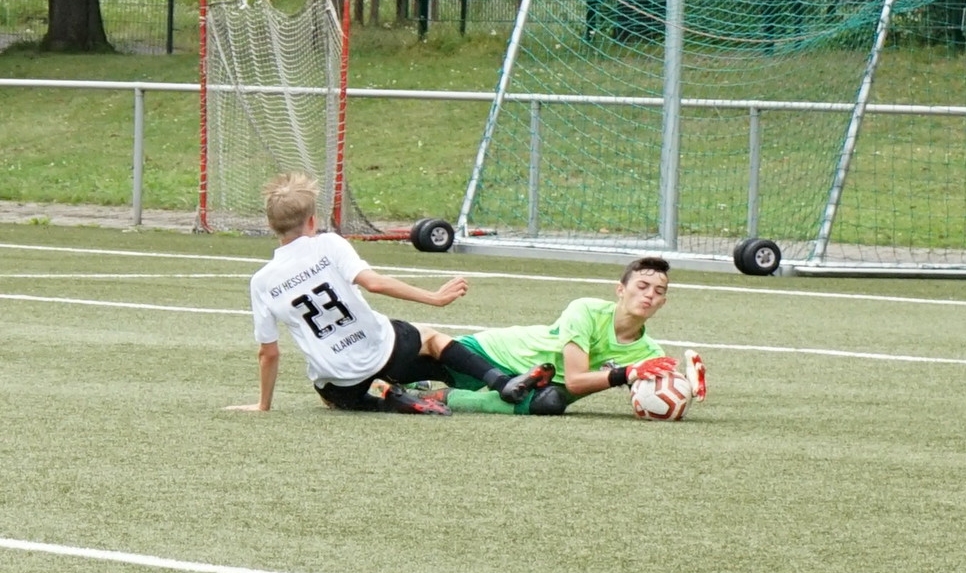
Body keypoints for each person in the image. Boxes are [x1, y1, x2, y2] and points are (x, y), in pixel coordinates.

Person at [224, 172, 554, 415]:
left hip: (341, 383)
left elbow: (268, 353)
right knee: (430, 338)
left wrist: (263, 405)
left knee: (329, 397)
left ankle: (387, 396)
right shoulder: (328, 244)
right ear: (312, 221)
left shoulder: (262, 280)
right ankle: (501, 382)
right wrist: (434, 297)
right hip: (385, 351)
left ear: (271, 225)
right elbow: (375, 283)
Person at [409, 256, 707, 416]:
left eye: (658, 291)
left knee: (550, 403)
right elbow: (576, 380)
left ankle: (446, 397)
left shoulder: (650, 352)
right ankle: (415, 383)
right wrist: (628, 372)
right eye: (642, 286)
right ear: (620, 290)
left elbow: (656, 388)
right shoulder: (586, 310)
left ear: (663, 302)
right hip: (494, 353)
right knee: (406, 367)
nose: (649, 295)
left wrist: (688, 386)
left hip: (542, 387)